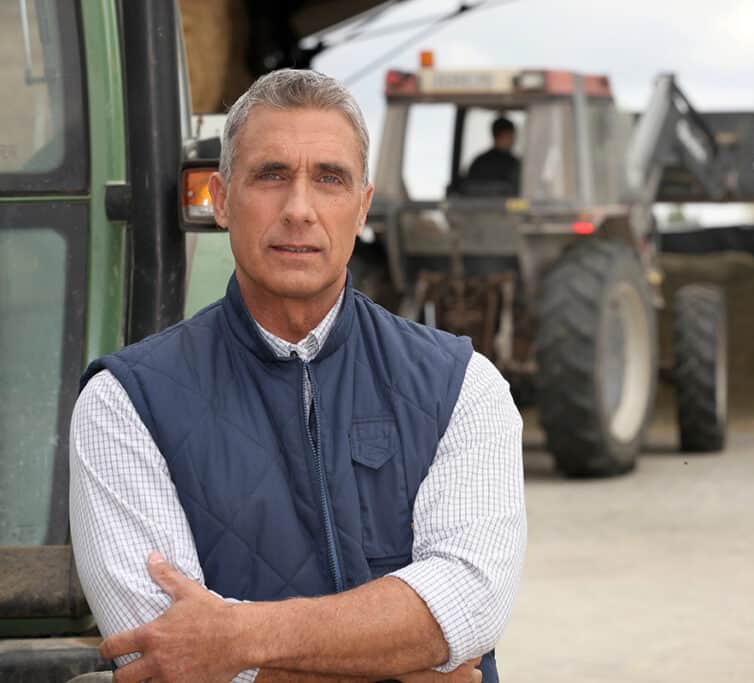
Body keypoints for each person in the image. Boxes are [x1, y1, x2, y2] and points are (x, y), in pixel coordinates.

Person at [68, 69, 526, 683]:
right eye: (271, 175)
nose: (299, 209)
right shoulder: (124, 403)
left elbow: (470, 602)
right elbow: (159, 655)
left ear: (362, 206)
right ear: (223, 199)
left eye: (329, 179)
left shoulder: (464, 387)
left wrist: (234, 639)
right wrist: (405, 660)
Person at [464, 117, 520, 195]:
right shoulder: (515, 164)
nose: (513, 141)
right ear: (500, 136)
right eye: (510, 136)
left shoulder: (479, 161)